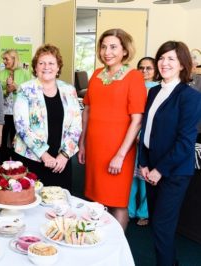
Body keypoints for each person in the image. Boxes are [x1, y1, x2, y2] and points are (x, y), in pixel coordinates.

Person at [138, 41, 201, 266]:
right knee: (158, 224)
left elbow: (185, 142)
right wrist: (144, 163)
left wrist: (159, 170)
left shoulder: (189, 96)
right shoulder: (154, 91)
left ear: (183, 65)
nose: (164, 63)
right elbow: (148, 131)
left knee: (163, 227)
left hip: (173, 173)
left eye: (171, 59)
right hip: (151, 168)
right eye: (162, 58)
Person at [78, 28, 147, 231]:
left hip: (119, 149)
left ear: (125, 51)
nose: (107, 51)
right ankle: (97, 243)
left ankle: (117, 251)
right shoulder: (97, 74)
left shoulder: (133, 77)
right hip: (95, 147)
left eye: (114, 47)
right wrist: (82, 143)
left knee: (117, 202)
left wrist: (120, 155)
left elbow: (137, 120)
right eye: (104, 46)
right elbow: (87, 110)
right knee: (95, 199)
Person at [13, 44, 82, 191]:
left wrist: (64, 155)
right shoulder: (25, 89)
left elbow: (76, 125)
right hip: (32, 158)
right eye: (41, 63)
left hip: (61, 160)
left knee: (59, 204)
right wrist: (44, 155)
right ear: (35, 68)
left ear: (58, 68)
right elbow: (21, 126)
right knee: (31, 203)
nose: (46, 67)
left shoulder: (69, 90)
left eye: (51, 63)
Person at [128, 57, 158, 226]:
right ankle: (129, 210)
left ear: (156, 71)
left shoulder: (158, 89)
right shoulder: (133, 86)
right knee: (131, 177)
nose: (144, 72)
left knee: (144, 177)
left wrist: (143, 134)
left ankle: (144, 212)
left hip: (148, 139)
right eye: (141, 68)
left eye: (149, 68)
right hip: (132, 137)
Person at [0, 49, 31, 162]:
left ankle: (17, 165)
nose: (4, 61)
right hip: (4, 111)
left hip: (19, 113)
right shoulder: (0, 74)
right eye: (3, 59)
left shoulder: (25, 73)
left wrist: (17, 88)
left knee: (16, 140)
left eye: (6, 59)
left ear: (14, 59)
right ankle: (3, 164)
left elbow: (30, 93)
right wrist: (6, 90)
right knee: (2, 139)